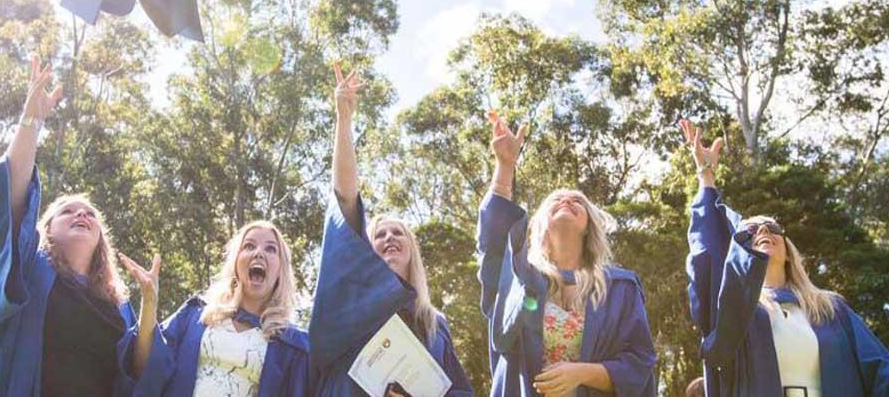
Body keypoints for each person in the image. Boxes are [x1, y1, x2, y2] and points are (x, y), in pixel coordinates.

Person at [680, 119, 889, 397]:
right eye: (751, 231)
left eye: (772, 227)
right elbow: (707, 255)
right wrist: (705, 175)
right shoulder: (736, 312)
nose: (763, 230)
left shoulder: (831, 310)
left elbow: (877, 364)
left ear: (790, 251)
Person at [0, 57, 138, 397]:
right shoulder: (28, 268)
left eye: (90, 213)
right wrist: (31, 123)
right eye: (67, 211)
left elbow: (136, 375)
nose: (82, 214)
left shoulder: (120, 306)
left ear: (102, 239)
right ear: (46, 230)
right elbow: (8, 208)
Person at [309, 65, 473, 396]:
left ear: (413, 251)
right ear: (364, 251)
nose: (389, 238)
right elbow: (345, 199)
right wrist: (344, 119)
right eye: (379, 235)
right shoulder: (352, 306)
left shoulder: (435, 324)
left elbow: (459, 392)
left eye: (398, 233)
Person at [478, 112, 657, 397]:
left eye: (577, 201)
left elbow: (639, 363)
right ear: (540, 226)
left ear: (589, 227)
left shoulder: (620, 288)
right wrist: (505, 166)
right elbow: (494, 244)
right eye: (556, 200)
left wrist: (583, 372)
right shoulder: (518, 279)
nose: (566, 201)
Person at [119, 221, 309, 396]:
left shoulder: (292, 345)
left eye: (271, 249)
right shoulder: (197, 315)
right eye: (249, 246)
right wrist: (150, 301)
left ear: (280, 270)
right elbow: (144, 367)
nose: (259, 252)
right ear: (235, 262)